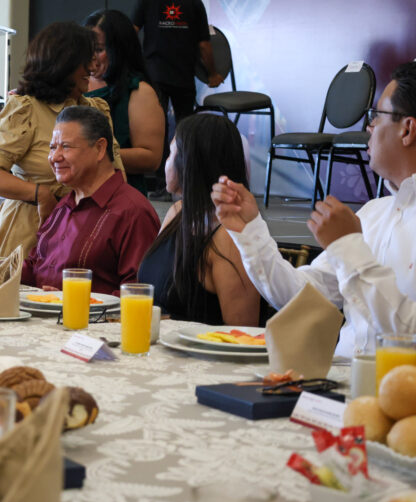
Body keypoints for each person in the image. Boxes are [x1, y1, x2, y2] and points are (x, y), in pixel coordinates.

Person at [211, 61, 416, 358]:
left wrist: (349, 246)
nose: (368, 128)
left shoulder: (357, 230)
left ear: (407, 129)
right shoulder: (373, 213)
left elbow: (407, 333)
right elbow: (299, 296)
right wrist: (250, 230)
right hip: (337, 390)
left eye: (376, 116)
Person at [0, 106, 159, 295]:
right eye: (52, 147)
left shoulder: (132, 212)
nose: (54, 157)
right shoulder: (65, 204)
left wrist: (75, 301)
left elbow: (140, 295)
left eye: (65, 147)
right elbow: (34, 269)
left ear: (100, 149)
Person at [0, 22, 124, 260]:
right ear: (63, 63)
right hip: (29, 229)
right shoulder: (26, 108)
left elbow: (116, 174)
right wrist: (41, 195)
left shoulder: (97, 110)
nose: (94, 65)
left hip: (84, 229)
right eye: (87, 59)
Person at [138, 114, 259, 325]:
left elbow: (243, 334)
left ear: (189, 162)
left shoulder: (229, 236)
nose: (166, 163)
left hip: (199, 354)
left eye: (171, 153)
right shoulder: (178, 211)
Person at [132, 0, 222, 197]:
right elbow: (204, 46)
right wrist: (213, 74)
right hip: (183, 75)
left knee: (158, 131)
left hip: (155, 75)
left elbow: (130, 33)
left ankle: (163, 186)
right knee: (185, 132)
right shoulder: (195, 3)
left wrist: (135, 64)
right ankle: (189, 185)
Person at [84, 9, 165, 197]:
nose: (91, 56)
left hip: (120, 194)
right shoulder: (76, 82)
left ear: (119, 49)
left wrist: (89, 155)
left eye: (99, 49)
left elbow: (151, 158)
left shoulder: (139, 91)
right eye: (86, 48)